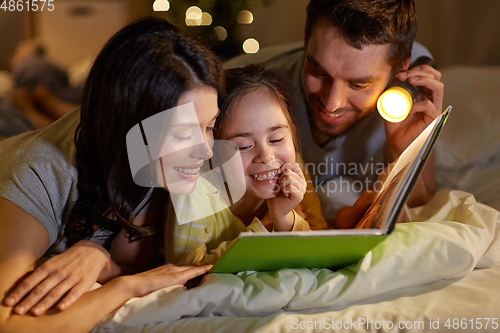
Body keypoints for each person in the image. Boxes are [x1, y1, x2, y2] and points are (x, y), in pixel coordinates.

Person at [0, 17, 223, 332]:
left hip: (60, 133)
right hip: (8, 141)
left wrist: (99, 259)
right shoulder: (39, 176)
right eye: (184, 134)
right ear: (128, 130)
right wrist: (124, 289)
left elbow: (133, 262)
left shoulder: (155, 158)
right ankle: (26, 63)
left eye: (210, 126)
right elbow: (7, 326)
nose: (207, 151)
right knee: (25, 87)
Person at [225, 0, 444, 225]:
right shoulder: (246, 95)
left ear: (400, 69)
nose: (332, 104)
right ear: (306, 39)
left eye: (357, 85)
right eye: (318, 73)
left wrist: (406, 150)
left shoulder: (407, 93)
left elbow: (420, 213)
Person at [166, 65, 327, 266]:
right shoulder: (192, 193)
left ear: (292, 135)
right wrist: (267, 228)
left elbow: (321, 243)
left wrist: (283, 218)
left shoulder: (294, 168)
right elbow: (184, 276)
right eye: (244, 146)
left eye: (276, 139)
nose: (266, 157)